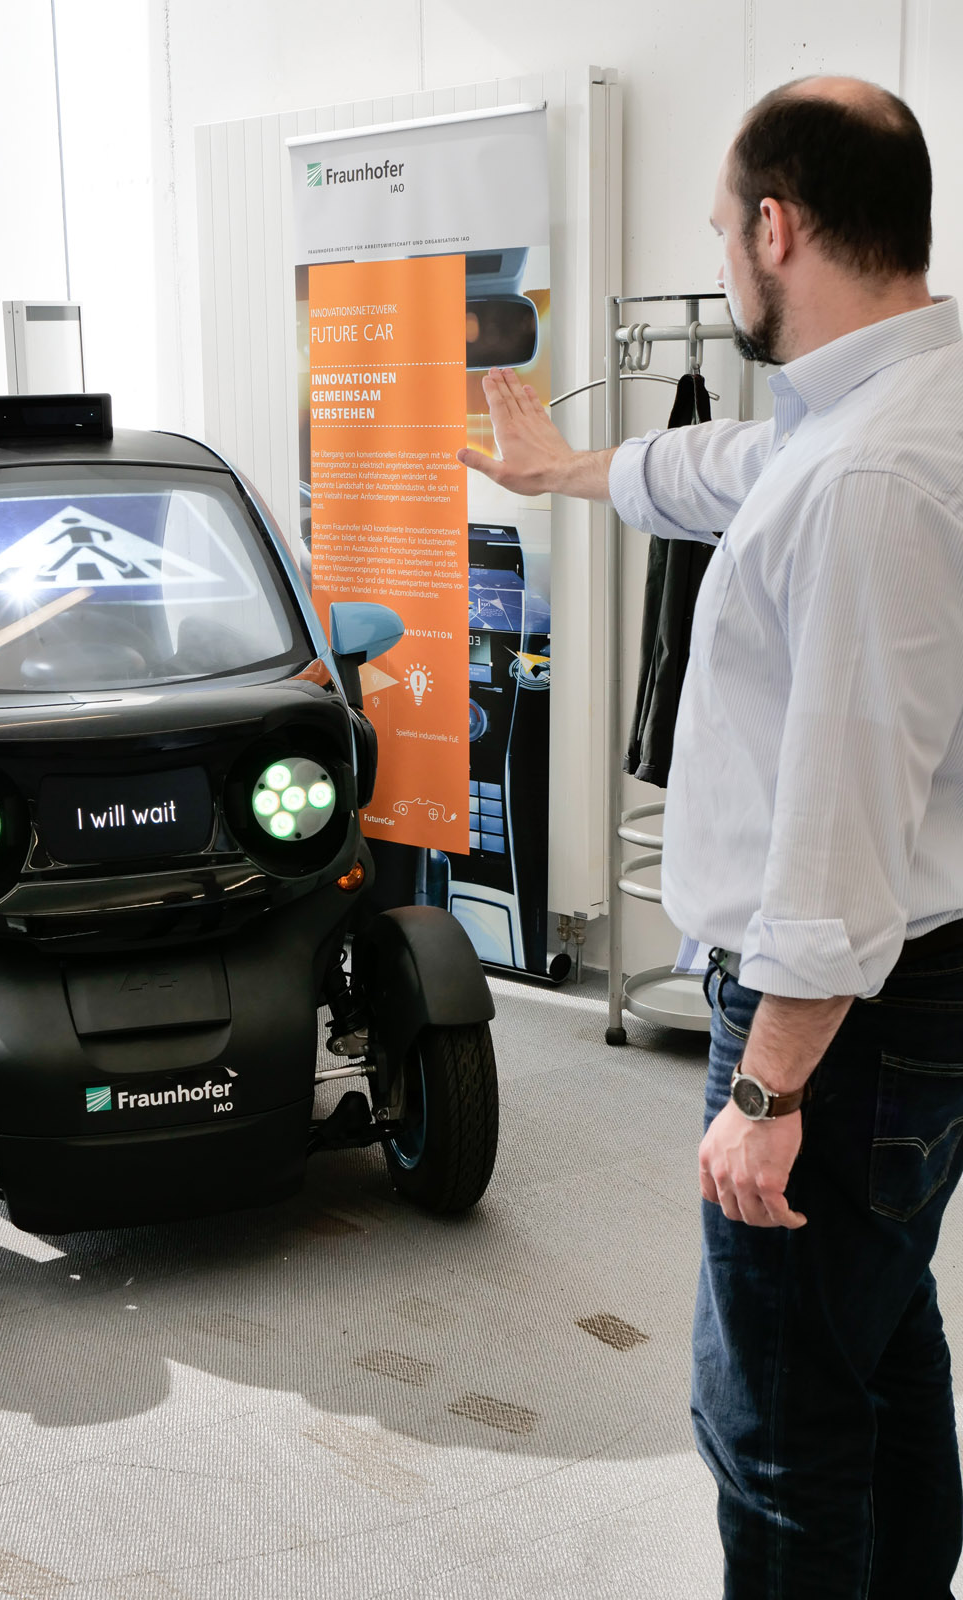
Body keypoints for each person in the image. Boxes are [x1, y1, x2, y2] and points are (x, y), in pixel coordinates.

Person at [460, 77, 963, 1600]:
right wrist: (561, 473)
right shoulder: (888, 415)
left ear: (775, 225)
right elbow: (721, 472)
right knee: (876, 1357)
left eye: (721, 231)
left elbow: (842, 816)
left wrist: (764, 1083)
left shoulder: (874, 472)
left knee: (775, 1425)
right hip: (915, 990)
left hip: (838, 1017)